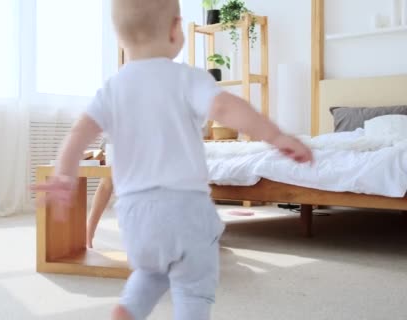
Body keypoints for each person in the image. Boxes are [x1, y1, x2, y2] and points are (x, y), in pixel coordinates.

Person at [33, 0, 313, 319]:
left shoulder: (113, 88)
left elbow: (77, 135)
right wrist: (276, 136)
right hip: (185, 210)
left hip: (135, 214)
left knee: (151, 273)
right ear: (175, 28)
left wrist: (64, 177)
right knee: (194, 288)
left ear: (119, 37)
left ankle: (130, 308)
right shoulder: (187, 78)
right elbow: (224, 108)